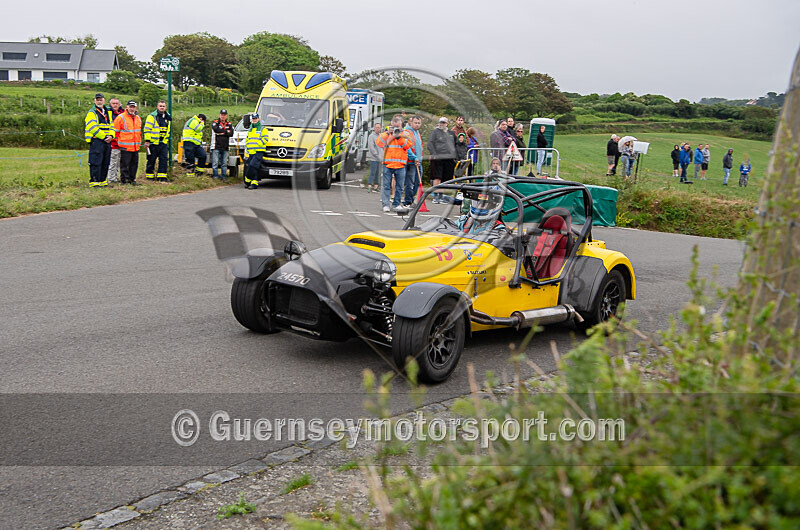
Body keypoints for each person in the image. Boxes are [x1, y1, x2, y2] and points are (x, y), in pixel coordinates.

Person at [376, 116, 414, 212]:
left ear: (401, 124)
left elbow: (408, 145)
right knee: (386, 185)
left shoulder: (405, 133)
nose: (396, 127)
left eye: (398, 125)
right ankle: (385, 204)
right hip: (387, 163)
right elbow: (379, 143)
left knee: (400, 186)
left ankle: (396, 204)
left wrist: (398, 137)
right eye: (395, 125)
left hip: (400, 165)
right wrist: (388, 133)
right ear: (392, 124)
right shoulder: (387, 133)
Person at [83, 93, 115, 188]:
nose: (99, 101)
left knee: (106, 161)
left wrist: (111, 136)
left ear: (104, 101)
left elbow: (112, 126)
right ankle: (94, 182)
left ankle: (103, 181)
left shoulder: (108, 112)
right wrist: (104, 137)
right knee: (96, 162)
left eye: (101, 99)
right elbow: (92, 127)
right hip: (96, 141)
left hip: (107, 141)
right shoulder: (92, 112)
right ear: (94, 101)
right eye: (97, 99)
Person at [428, 116, 457, 203]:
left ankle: (442, 195)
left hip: (449, 158)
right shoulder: (435, 132)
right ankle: (436, 196)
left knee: (446, 178)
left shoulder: (451, 133)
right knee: (437, 177)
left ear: (447, 123)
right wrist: (434, 154)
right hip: (438, 157)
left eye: (444, 123)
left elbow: (456, 145)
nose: (442, 124)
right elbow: (430, 143)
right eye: (441, 122)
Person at [112, 100, 142, 185]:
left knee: (134, 164)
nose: (132, 109)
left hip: (135, 146)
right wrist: (118, 142)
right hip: (125, 146)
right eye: (130, 107)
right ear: (127, 107)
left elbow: (138, 132)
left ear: (135, 108)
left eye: (133, 107)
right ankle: (124, 180)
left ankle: (132, 179)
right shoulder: (121, 117)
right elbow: (115, 132)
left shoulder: (138, 118)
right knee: (125, 164)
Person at [143, 100, 171, 182]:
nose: (162, 107)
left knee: (164, 160)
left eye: (163, 106)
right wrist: (147, 141)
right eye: (160, 106)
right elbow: (147, 129)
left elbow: (168, 130)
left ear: (166, 107)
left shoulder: (167, 117)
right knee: (151, 160)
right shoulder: (151, 117)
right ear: (157, 107)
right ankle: (149, 177)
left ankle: (161, 177)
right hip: (153, 143)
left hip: (163, 143)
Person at [402, 115, 423, 208]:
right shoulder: (407, 132)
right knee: (410, 183)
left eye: (419, 123)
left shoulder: (417, 132)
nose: (417, 125)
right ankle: (408, 201)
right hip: (411, 161)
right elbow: (408, 148)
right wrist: (414, 157)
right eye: (415, 123)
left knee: (417, 182)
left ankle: (411, 199)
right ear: (411, 122)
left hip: (418, 161)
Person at [243, 113, 269, 189]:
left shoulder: (262, 128)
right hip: (250, 151)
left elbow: (265, 139)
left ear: (258, 119)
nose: (254, 120)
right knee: (254, 167)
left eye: (255, 119)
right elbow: (248, 139)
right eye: (253, 119)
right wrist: (247, 145)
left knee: (252, 165)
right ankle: (254, 183)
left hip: (258, 151)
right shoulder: (250, 129)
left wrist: (258, 144)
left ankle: (247, 179)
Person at [210, 109, 234, 180]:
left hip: (225, 146)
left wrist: (222, 133)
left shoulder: (229, 124)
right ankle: (215, 176)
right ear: (219, 115)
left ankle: (224, 177)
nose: (223, 116)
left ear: (226, 116)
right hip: (216, 146)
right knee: (215, 163)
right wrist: (226, 132)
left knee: (224, 163)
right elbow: (216, 130)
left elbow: (231, 133)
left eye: (224, 115)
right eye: (221, 115)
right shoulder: (215, 122)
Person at [107, 98, 124, 183]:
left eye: (117, 103)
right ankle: (111, 178)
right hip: (113, 142)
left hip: (123, 142)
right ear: (110, 104)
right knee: (113, 161)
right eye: (113, 103)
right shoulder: (108, 113)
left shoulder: (123, 113)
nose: (115, 105)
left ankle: (116, 177)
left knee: (120, 162)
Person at [366, 123, 382, 193]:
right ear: (374, 128)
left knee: (378, 173)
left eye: (379, 127)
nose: (378, 129)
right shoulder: (371, 136)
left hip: (380, 158)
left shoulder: (381, 136)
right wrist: (377, 155)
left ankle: (376, 186)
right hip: (374, 158)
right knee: (373, 172)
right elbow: (372, 148)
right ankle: (369, 185)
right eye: (377, 127)